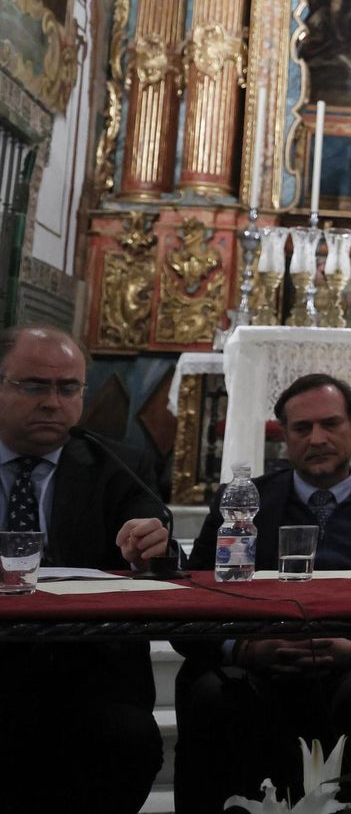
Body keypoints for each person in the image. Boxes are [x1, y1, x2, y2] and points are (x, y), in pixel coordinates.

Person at [175, 374, 351, 814]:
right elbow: (192, 599)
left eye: (330, 424)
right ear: (284, 437)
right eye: (302, 428)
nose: (318, 438)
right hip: (256, 661)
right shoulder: (240, 504)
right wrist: (244, 649)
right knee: (217, 693)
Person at [0, 325, 169, 814]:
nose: (53, 402)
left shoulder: (117, 461)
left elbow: (152, 522)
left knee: (128, 738)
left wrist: (150, 539)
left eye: (68, 387)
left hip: (86, 668)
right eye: (34, 386)